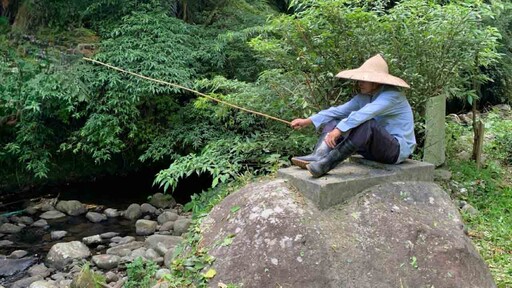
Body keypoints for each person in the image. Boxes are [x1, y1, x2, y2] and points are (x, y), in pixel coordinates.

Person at [290, 54, 416, 178]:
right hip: (371, 151)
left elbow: (365, 113)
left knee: (367, 124)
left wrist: (339, 130)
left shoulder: (393, 96)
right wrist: (307, 121)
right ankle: (319, 154)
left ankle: (326, 164)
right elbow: (337, 111)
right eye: (360, 79)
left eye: (364, 80)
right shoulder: (364, 97)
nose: (360, 83)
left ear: (377, 81)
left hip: (394, 152)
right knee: (335, 120)